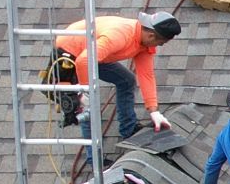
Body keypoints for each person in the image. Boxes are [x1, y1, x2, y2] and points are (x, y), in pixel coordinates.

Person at [53, 13, 179, 141]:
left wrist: (154, 111)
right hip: (72, 51)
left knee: (126, 80)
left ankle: (128, 130)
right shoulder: (120, 36)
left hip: (94, 52)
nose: (159, 46)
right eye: (160, 43)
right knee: (87, 107)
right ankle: (93, 159)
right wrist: (86, 93)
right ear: (151, 36)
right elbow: (84, 61)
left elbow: (146, 75)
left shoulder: (144, 43)